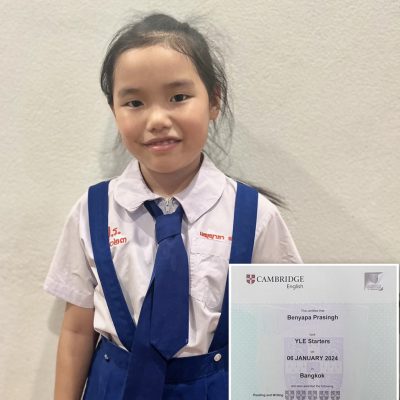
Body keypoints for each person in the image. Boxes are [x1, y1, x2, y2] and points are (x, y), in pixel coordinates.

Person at [44, 13, 302, 400]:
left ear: (214, 100)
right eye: (134, 102)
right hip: (113, 386)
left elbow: (284, 326)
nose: (157, 119)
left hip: (217, 386)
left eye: (178, 97)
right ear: (114, 110)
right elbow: (77, 329)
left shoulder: (255, 216)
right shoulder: (92, 211)